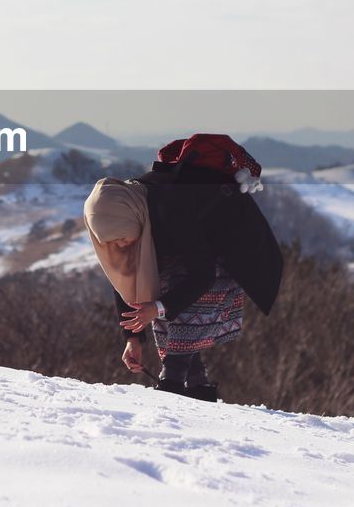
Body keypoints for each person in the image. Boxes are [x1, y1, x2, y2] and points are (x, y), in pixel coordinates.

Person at [82, 157, 283, 401]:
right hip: (189, 254)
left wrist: (158, 308)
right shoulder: (131, 212)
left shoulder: (169, 209)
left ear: (129, 220)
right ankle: (196, 386)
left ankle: (173, 382)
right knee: (160, 293)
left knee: (176, 300)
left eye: (121, 238)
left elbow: (203, 274)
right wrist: (133, 338)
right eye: (112, 242)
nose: (120, 245)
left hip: (228, 251)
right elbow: (125, 276)